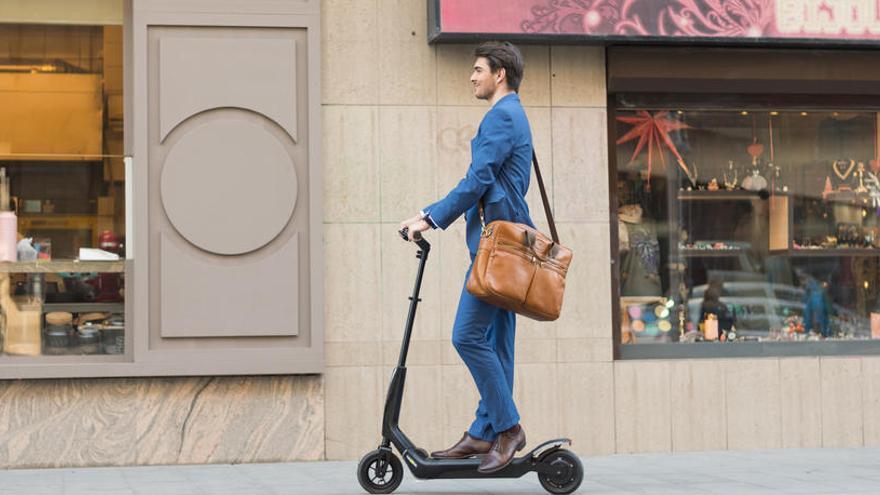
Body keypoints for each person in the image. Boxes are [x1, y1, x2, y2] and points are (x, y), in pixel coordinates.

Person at [400, 41, 534, 473]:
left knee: (467, 336)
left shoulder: (502, 116)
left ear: (500, 74)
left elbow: (476, 181)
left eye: (478, 69)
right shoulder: (514, 115)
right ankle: (483, 430)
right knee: (498, 344)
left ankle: (507, 428)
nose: (472, 76)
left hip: (497, 250)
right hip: (507, 246)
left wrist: (429, 217)